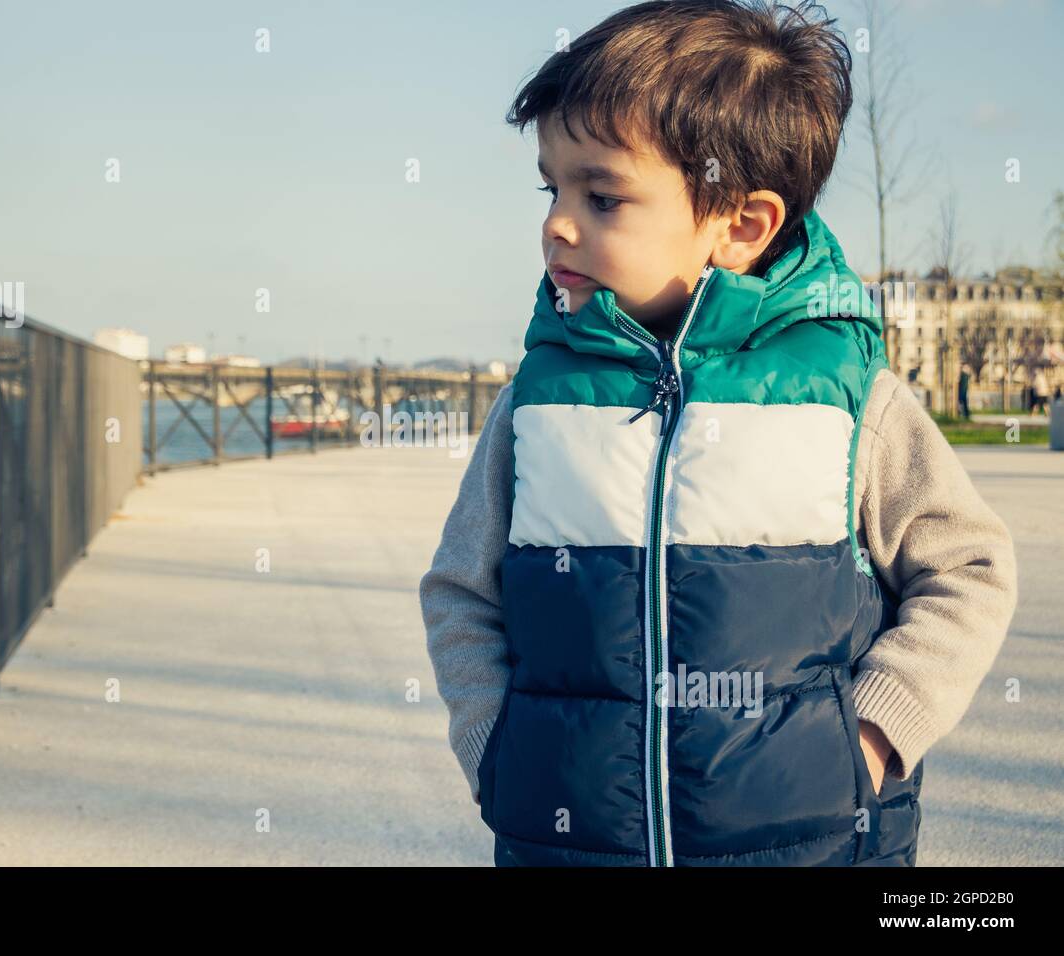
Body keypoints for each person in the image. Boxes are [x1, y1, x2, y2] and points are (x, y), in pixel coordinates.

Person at [420, 0, 1017, 868]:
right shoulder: (540, 402)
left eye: (603, 194)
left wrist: (877, 737)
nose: (558, 220)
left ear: (741, 226)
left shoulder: (844, 399)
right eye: (552, 188)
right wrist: (495, 748)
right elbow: (461, 590)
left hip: (810, 844)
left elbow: (967, 565)